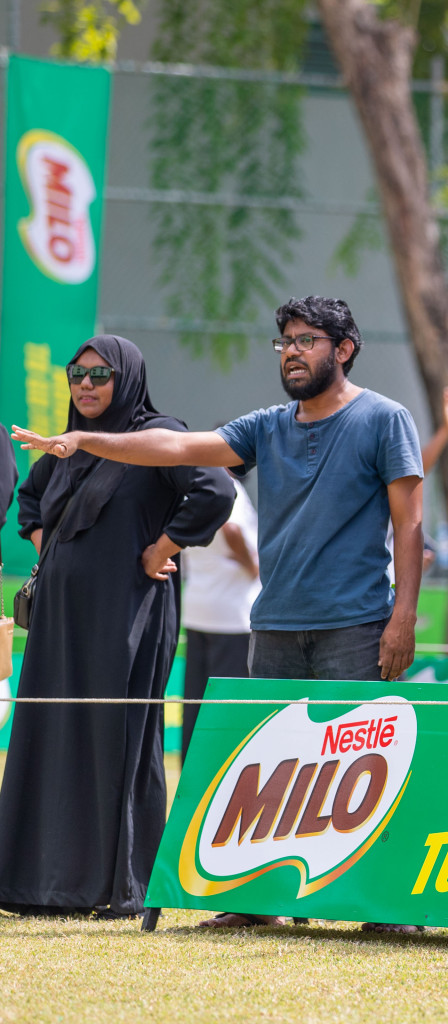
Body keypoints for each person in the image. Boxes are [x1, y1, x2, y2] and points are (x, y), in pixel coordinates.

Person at [13, 297, 425, 933]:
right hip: (276, 621)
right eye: (284, 339)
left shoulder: (384, 418)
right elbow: (177, 446)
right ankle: (259, 899)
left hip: (356, 619)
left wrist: (403, 619)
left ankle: (380, 909)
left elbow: (410, 524)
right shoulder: (267, 425)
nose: (292, 350)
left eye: (308, 340)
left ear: (343, 349)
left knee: (365, 766)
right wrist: (86, 440)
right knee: (271, 764)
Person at [0, 336, 235, 918]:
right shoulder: (67, 445)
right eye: (76, 373)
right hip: (59, 621)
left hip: (125, 614)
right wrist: (43, 544)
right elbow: (29, 501)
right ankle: (41, 882)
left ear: (126, 377)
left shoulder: (158, 434)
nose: (85, 385)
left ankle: (117, 885)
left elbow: (215, 487)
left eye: (100, 375)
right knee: (52, 732)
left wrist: (163, 546)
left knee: (113, 735)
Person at [179, 469, 259, 765]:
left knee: (196, 702)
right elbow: (232, 528)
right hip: (232, 614)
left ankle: (193, 770)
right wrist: (251, 565)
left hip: (199, 607)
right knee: (228, 705)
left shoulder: (192, 490)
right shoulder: (226, 486)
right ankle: (224, 770)